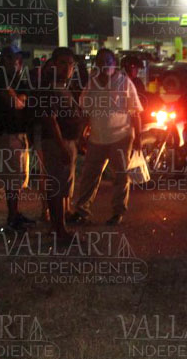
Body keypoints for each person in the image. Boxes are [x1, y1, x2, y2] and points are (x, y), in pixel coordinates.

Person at [70, 49, 142, 226]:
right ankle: (82, 211)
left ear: (114, 63)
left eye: (108, 61)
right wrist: (81, 135)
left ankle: (118, 212)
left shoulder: (124, 83)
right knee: (89, 176)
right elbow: (85, 113)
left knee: (121, 177)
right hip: (97, 138)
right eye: (101, 61)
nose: (104, 65)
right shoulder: (92, 85)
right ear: (96, 64)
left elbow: (135, 113)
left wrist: (138, 137)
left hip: (121, 137)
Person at [28, 47, 83, 238]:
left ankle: (57, 227)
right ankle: (60, 229)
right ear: (52, 64)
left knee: (58, 186)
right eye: (62, 63)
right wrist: (62, 146)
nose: (66, 68)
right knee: (57, 187)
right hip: (56, 143)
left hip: (66, 142)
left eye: (70, 64)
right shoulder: (49, 87)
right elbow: (50, 119)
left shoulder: (64, 87)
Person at [0, 47, 33, 231]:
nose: (18, 62)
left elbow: (25, 99)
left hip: (20, 134)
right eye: (14, 58)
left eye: (19, 59)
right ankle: (12, 217)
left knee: (20, 176)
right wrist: (20, 98)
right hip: (7, 134)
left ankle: (15, 214)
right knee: (12, 178)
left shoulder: (17, 79)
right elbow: (14, 102)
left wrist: (20, 97)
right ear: (5, 60)